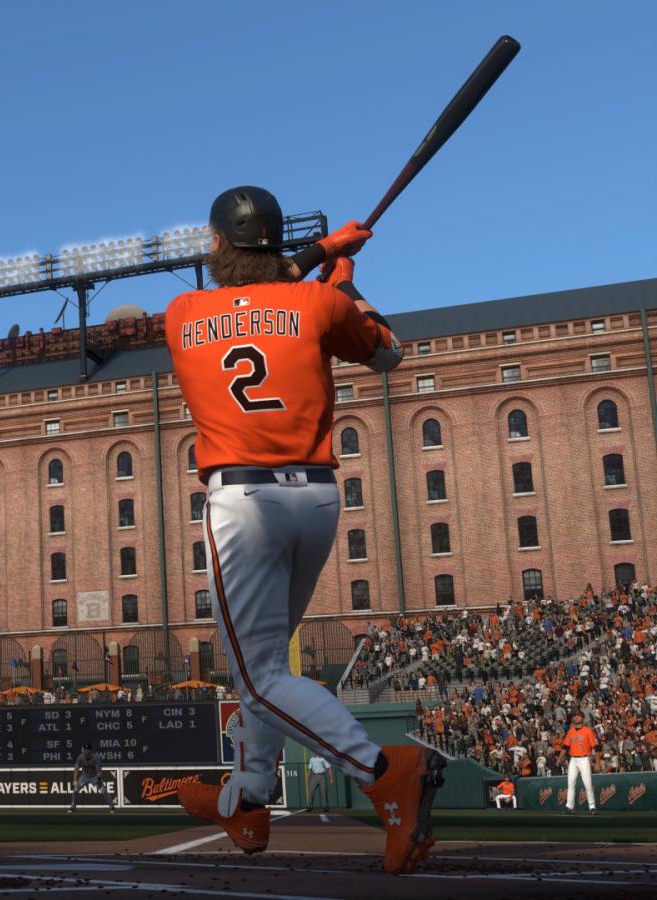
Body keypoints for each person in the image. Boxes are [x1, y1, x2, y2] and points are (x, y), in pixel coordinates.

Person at [165, 187, 442, 876]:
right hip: (316, 501)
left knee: (257, 675)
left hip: (244, 503)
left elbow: (254, 294)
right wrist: (344, 279)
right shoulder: (319, 303)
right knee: (264, 665)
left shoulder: (182, 312)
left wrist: (322, 255)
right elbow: (388, 354)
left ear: (219, 244)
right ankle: (248, 796)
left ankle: (383, 772)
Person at [562, 712, 598, 814]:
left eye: (579, 716)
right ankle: (569, 806)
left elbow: (596, 746)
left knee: (587, 784)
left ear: (583, 718)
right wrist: (560, 758)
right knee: (571, 784)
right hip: (573, 759)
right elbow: (565, 746)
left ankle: (592, 806)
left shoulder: (587, 731)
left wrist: (598, 762)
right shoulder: (571, 731)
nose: (576, 717)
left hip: (584, 758)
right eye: (575, 716)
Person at [69, 744, 116, 813]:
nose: (86, 751)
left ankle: (112, 806)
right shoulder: (80, 757)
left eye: (88, 749)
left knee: (103, 790)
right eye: (85, 749)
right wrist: (75, 780)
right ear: (83, 750)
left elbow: (99, 771)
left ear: (91, 750)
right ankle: (73, 806)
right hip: (84, 776)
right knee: (75, 789)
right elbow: (76, 769)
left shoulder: (96, 758)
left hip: (95, 776)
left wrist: (98, 780)